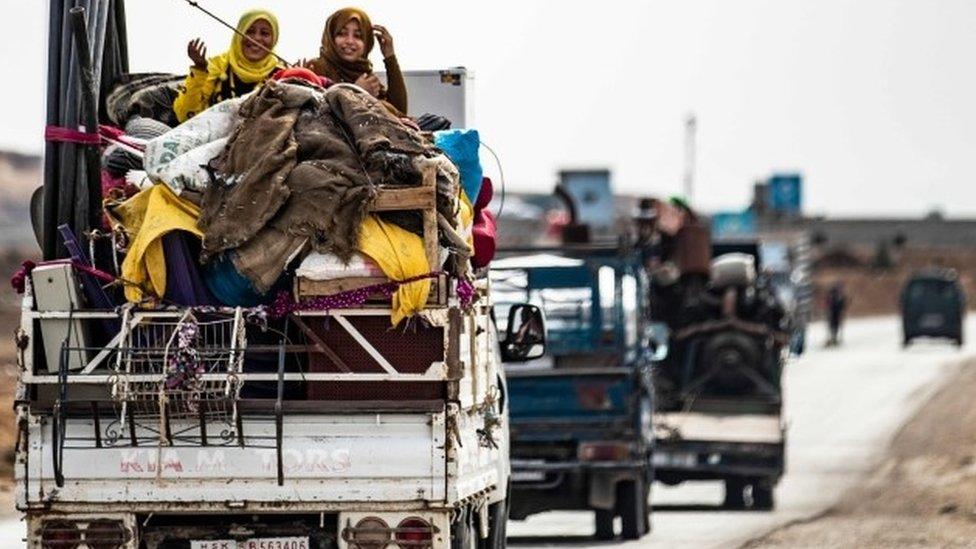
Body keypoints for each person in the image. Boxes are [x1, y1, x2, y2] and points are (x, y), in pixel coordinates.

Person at [173, 9, 282, 123]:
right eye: (249, 31)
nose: (256, 38)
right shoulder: (215, 66)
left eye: (264, 33)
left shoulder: (282, 74)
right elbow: (184, 116)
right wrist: (199, 70)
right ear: (238, 33)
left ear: (274, 39)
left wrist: (301, 79)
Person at [307, 7, 408, 115]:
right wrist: (356, 92)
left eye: (358, 36)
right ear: (331, 37)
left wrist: (390, 57)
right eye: (342, 33)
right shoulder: (316, 68)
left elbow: (400, 113)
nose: (350, 41)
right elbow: (316, 117)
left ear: (367, 43)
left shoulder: (364, 74)